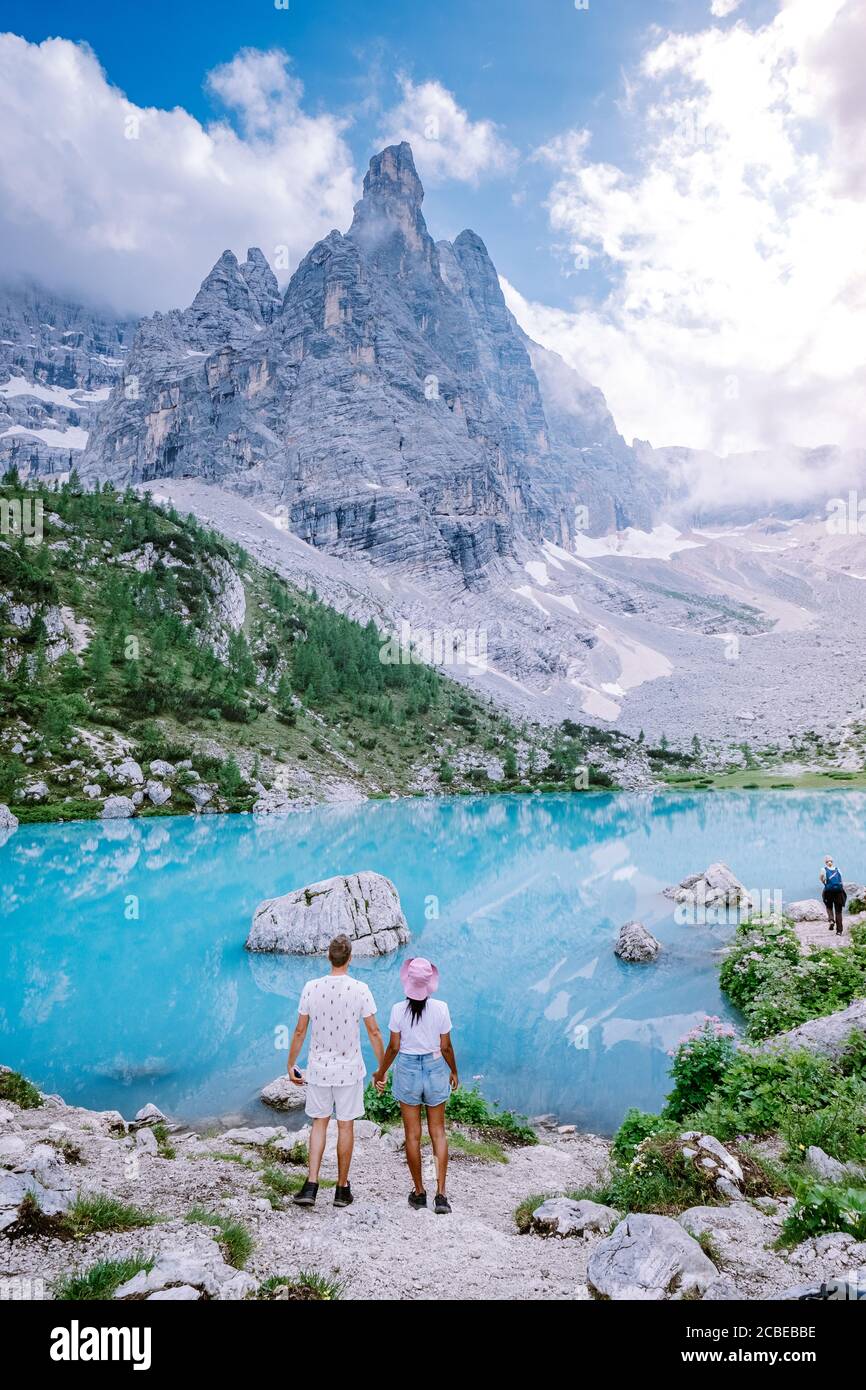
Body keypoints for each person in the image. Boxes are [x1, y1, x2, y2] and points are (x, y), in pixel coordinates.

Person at [286, 933, 384, 1209]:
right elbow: (374, 1031)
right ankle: (342, 1189)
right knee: (345, 1126)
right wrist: (381, 1068)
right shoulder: (360, 989)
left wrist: (291, 1064)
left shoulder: (311, 988)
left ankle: (311, 1184)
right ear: (350, 958)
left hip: (318, 1069)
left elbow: (300, 1030)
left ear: (329, 957)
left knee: (319, 1123)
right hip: (350, 1070)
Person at [373, 957, 458, 1215]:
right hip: (434, 1069)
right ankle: (441, 1195)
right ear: (429, 985)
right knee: (438, 1133)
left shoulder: (398, 1010)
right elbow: (445, 1046)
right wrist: (453, 1070)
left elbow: (394, 1047)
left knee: (412, 1135)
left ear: (408, 983)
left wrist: (381, 1072)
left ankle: (419, 1192)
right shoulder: (441, 1008)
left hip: (408, 1070)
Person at [820, 856, 847, 935]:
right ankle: (839, 931)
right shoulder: (837, 869)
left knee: (829, 907)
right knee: (838, 912)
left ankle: (831, 920)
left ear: (825, 862)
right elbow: (841, 881)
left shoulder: (823, 869)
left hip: (828, 892)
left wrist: (824, 883)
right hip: (838, 892)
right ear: (832, 862)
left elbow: (821, 878)